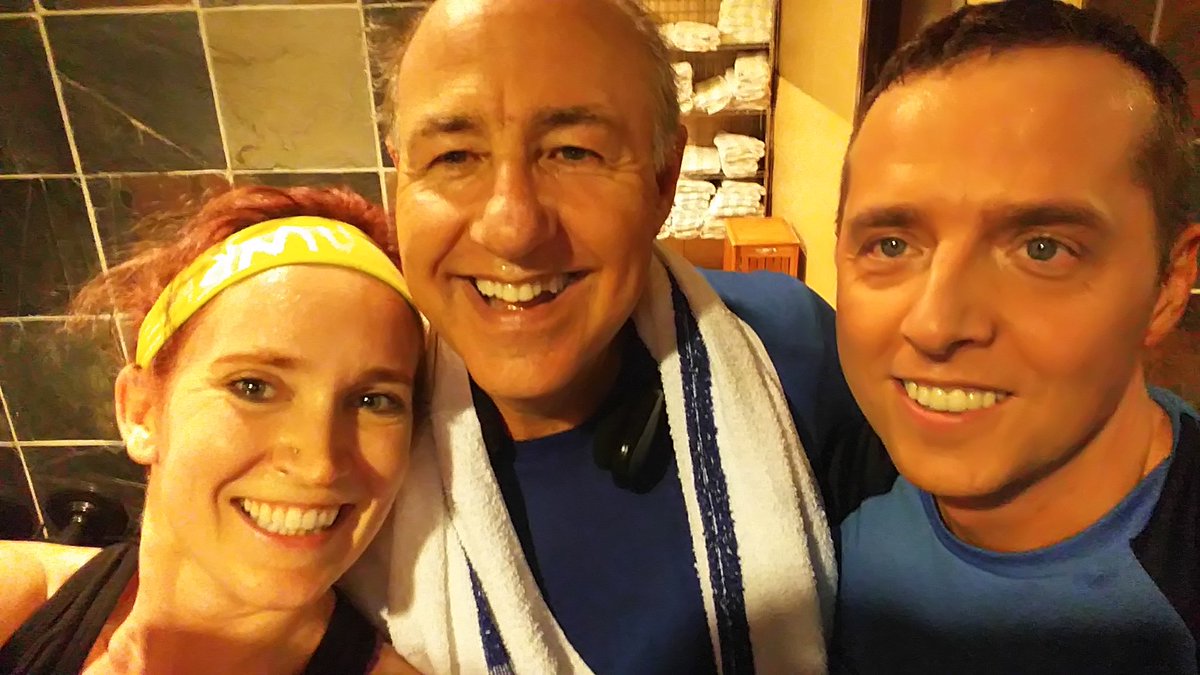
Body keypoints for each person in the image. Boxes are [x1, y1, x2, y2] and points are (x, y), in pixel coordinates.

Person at [342, 0, 869, 672]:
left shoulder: (790, 352)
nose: (511, 226)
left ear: (663, 179)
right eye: (453, 156)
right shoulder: (344, 431)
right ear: (400, 180)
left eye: (573, 152)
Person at [831, 1, 1200, 672]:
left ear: (1169, 283)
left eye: (1043, 249)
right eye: (891, 244)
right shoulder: (826, 480)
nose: (935, 325)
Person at [0, 186, 424, 674]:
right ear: (141, 411)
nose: (319, 465)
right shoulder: (21, 600)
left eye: (374, 401)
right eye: (253, 387)